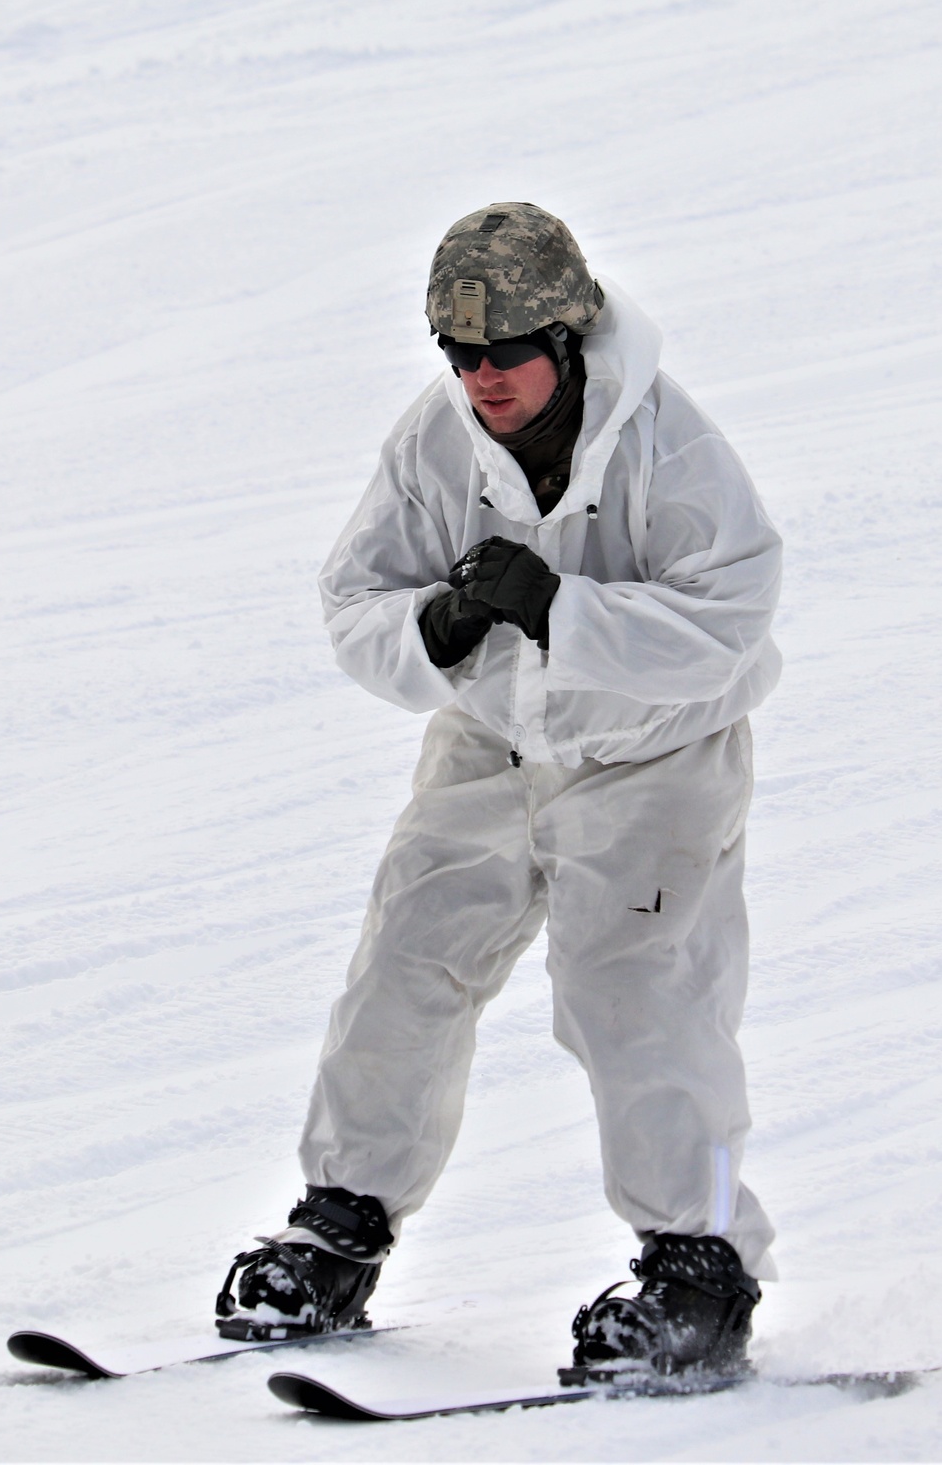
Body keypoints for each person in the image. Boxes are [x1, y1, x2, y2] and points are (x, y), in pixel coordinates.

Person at [216, 203, 783, 1380]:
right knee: (404, 965)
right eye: (459, 356)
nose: (481, 379)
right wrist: (437, 624)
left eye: (504, 353)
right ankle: (339, 1229)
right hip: (487, 744)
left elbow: (729, 623)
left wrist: (561, 611)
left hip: (652, 759)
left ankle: (699, 1270)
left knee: (637, 996)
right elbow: (353, 600)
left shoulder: (668, 448)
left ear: (567, 341)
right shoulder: (435, 442)